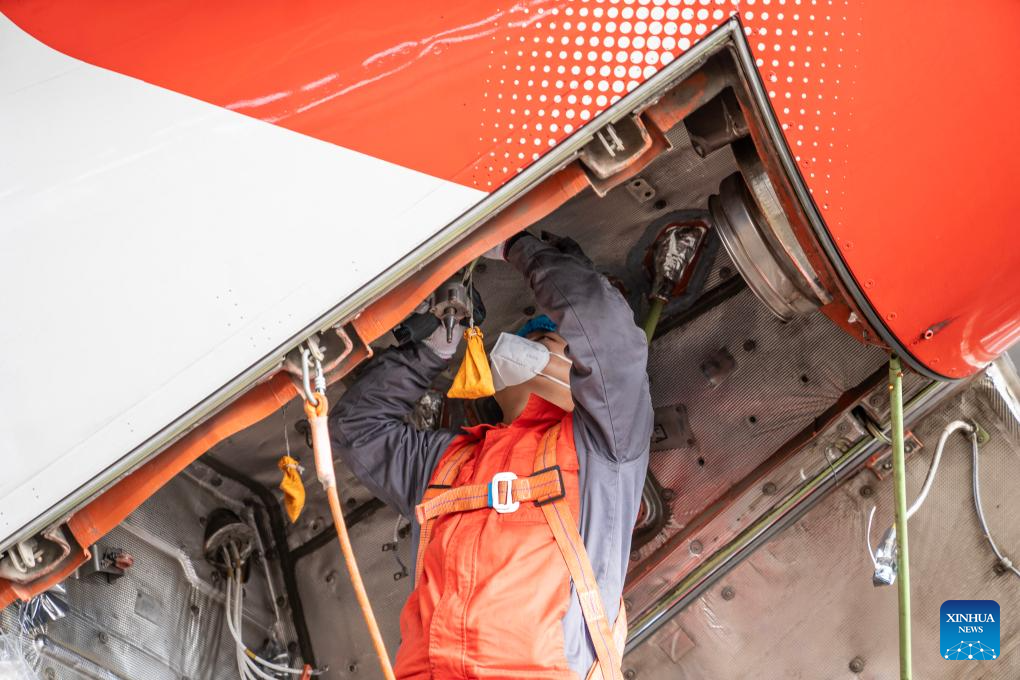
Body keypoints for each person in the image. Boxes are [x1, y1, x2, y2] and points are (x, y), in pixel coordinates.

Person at [331, 231, 653, 680]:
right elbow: (356, 428)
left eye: (546, 338)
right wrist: (432, 351)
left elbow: (607, 335)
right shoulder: (449, 461)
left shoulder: (604, 449)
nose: (527, 343)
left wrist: (516, 244)